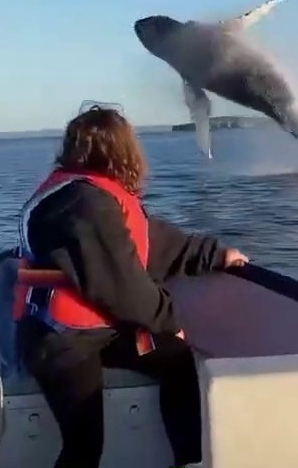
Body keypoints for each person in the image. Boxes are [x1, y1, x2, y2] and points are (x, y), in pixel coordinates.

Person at [13, 104, 249, 468]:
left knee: (175, 360)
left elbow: (154, 240)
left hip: (101, 331)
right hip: (59, 340)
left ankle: (189, 460)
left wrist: (215, 254)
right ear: (121, 149)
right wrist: (171, 323)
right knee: (85, 444)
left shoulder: (93, 194)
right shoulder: (83, 204)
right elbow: (121, 288)